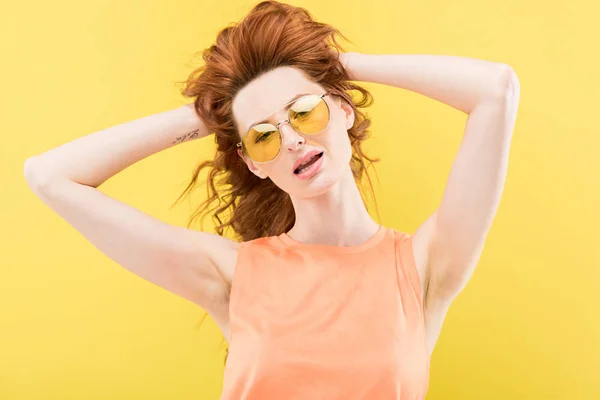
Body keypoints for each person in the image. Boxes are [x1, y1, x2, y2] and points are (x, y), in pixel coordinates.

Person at [23, 1, 520, 399]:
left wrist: (330, 68)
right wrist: (218, 113)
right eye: (264, 136)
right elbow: (49, 175)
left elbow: (495, 90)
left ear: (343, 111)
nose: (292, 140)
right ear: (254, 162)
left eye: (303, 112)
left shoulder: (422, 265)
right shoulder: (233, 274)